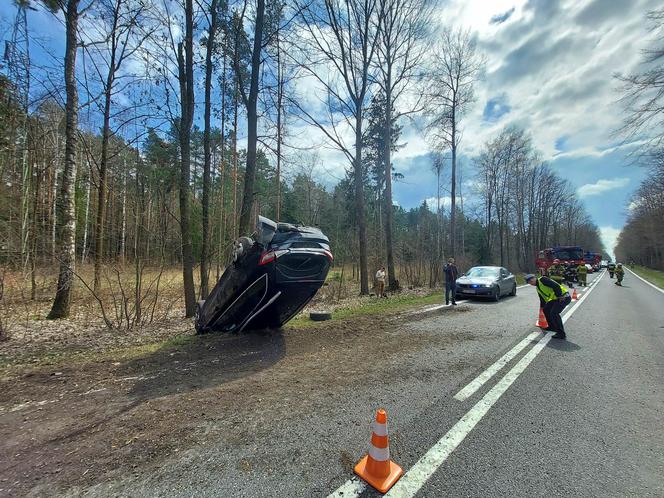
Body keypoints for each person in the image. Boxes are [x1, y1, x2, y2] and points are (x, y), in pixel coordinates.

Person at [526, 273, 571, 340]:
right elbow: (542, 299)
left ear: (535, 278)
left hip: (563, 297)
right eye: (529, 283)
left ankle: (561, 333)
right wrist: (542, 307)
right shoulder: (538, 288)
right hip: (555, 299)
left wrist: (559, 295)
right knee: (546, 309)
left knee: (554, 313)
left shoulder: (543, 279)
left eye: (531, 281)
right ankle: (552, 327)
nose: (531, 283)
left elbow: (556, 286)